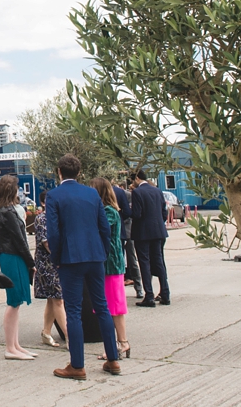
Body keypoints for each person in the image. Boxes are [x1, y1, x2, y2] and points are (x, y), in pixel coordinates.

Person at [46, 154, 120, 379]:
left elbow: (54, 232)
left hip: (70, 257)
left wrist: (56, 258)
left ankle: (77, 365)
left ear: (59, 172)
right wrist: (103, 251)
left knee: (74, 311)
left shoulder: (54, 195)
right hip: (95, 255)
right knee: (102, 306)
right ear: (79, 172)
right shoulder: (91, 194)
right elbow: (104, 227)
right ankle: (113, 359)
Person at [0, 173, 36, 360]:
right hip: (13, 256)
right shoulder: (8, 213)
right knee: (13, 300)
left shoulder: (1, 210)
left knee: (16, 302)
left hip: (9, 255)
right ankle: (10, 347)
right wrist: (31, 262)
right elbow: (20, 240)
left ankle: (15, 344)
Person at [92, 177, 131, 361]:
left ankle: (121, 342)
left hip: (111, 264)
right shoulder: (111, 210)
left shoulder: (108, 211)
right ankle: (119, 343)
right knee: (111, 306)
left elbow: (100, 230)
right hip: (110, 263)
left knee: (113, 306)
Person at [130, 170, 170, 307]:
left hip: (142, 233)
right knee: (159, 261)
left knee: (144, 263)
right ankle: (165, 293)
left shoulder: (137, 193)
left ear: (137, 178)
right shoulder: (157, 191)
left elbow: (137, 214)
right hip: (158, 231)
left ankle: (149, 295)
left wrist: (127, 211)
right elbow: (164, 212)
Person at [34, 189, 68, 348]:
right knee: (59, 299)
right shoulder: (42, 218)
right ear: (43, 203)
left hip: (57, 262)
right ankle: (70, 337)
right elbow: (47, 244)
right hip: (49, 264)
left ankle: (46, 332)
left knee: (52, 299)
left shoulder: (58, 217)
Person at [115, 179, 144, 299]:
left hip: (127, 230)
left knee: (131, 260)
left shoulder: (126, 194)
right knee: (123, 260)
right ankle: (124, 289)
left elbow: (129, 212)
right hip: (123, 230)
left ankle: (138, 287)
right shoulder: (121, 193)